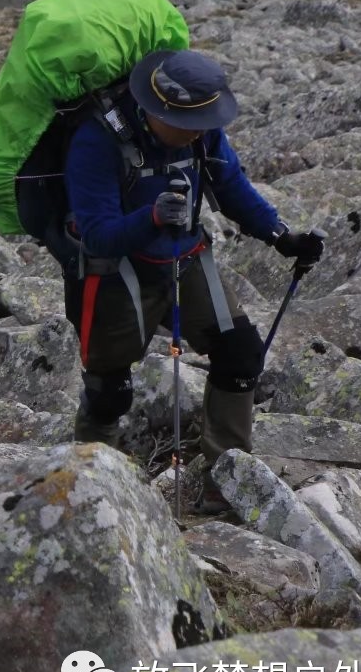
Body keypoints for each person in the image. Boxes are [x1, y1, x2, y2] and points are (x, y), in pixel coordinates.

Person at [62, 49, 325, 512]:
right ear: (154, 110)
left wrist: (282, 236)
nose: (199, 133)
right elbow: (98, 235)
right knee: (109, 393)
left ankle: (229, 481)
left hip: (187, 258)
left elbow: (232, 187)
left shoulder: (201, 135)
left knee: (240, 354)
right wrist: (152, 217)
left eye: (206, 122)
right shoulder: (96, 142)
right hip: (115, 274)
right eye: (189, 123)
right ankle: (92, 493)